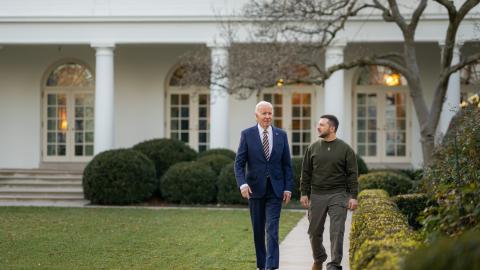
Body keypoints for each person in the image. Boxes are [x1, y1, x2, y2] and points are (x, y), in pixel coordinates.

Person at [234, 101, 294, 270]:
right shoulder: (247, 135)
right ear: (256, 115)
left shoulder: (281, 135)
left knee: (272, 229)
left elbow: (286, 165)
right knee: (258, 230)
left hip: (276, 189)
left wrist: (288, 187)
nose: (267, 117)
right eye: (264, 113)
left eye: (270, 113)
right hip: (254, 189)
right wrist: (243, 184)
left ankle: (271, 266)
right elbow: (239, 164)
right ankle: (262, 265)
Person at [300, 114, 359, 270]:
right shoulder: (312, 147)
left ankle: (334, 264)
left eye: (322, 125)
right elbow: (306, 172)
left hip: (338, 194)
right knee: (314, 232)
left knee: (337, 231)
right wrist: (304, 193)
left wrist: (353, 196)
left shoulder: (345, 149)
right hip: (317, 194)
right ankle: (319, 257)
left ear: (332, 128)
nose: (318, 127)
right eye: (318, 124)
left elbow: (352, 174)